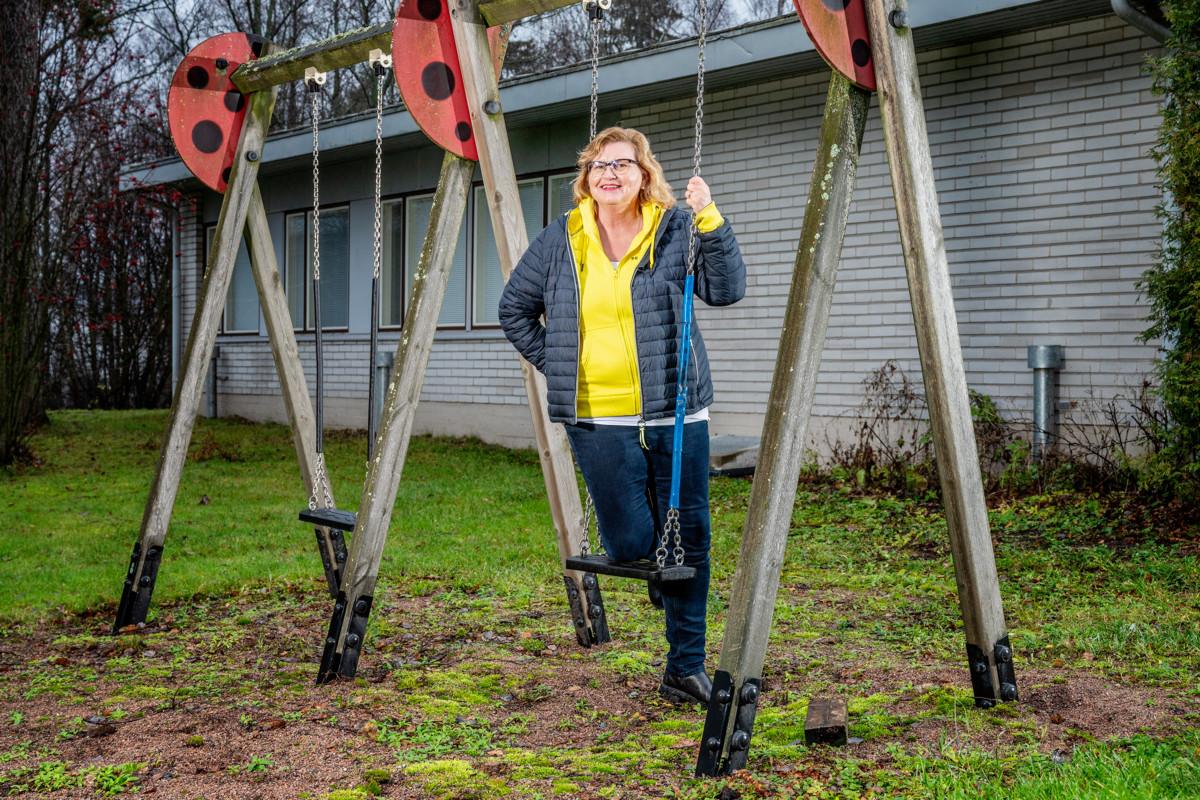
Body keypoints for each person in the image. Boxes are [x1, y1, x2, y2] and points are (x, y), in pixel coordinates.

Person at [499, 126, 746, 705]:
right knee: (632, 540)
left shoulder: (674, 227)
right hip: (596, 415)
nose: (610, 173)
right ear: (587, 177)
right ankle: (665, 570)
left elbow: (727, 288)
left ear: (644, 176)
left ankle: (684, 668)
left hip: (676, 409)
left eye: (624, 164)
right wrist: (562, 367)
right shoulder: (563, 239)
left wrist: (709, 216)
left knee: (690, 539)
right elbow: (514, 310)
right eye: (599, 164)